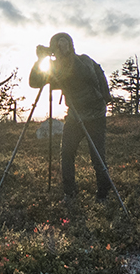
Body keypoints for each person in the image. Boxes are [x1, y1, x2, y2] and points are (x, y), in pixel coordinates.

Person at [28, 32, 113, 200]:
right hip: (75, 115)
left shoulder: (83, 60)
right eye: (57, 44)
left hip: (94, 114)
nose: (61, 46)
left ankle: (103, 192)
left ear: (71, 45)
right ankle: (69, 192)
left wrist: (60, 59)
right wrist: (40, 60)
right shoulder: (58, 66)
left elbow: (82, 74)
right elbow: (34, 82)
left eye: (64, 42)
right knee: (66, 152)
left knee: (97, 156)